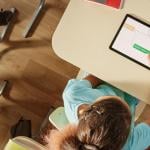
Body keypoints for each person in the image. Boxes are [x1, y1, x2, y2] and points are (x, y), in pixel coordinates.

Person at [47, 55, 150, 150]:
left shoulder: (73, 95)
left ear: (86, 109)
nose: (121, 99)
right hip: (134, 89)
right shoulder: (129, 146)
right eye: (127, 109)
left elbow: (97, 75)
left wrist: (118, 63)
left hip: (108, 75)